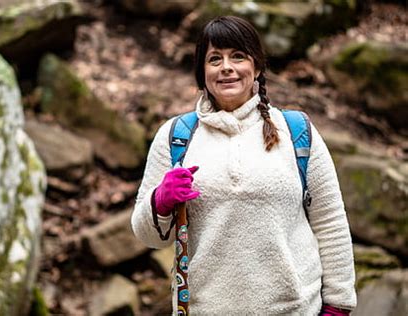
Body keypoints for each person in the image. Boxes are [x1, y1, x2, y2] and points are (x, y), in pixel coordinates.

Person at [131, 15, 357, 315]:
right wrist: (160, 200)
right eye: (215, 59)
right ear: (202, 72)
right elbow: (146, 234)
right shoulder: (177, 138)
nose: (226, 67)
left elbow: (330, 222)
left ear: (257, 67)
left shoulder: (296, 131)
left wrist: (339, 305)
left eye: (238, 56)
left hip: (295, 309)